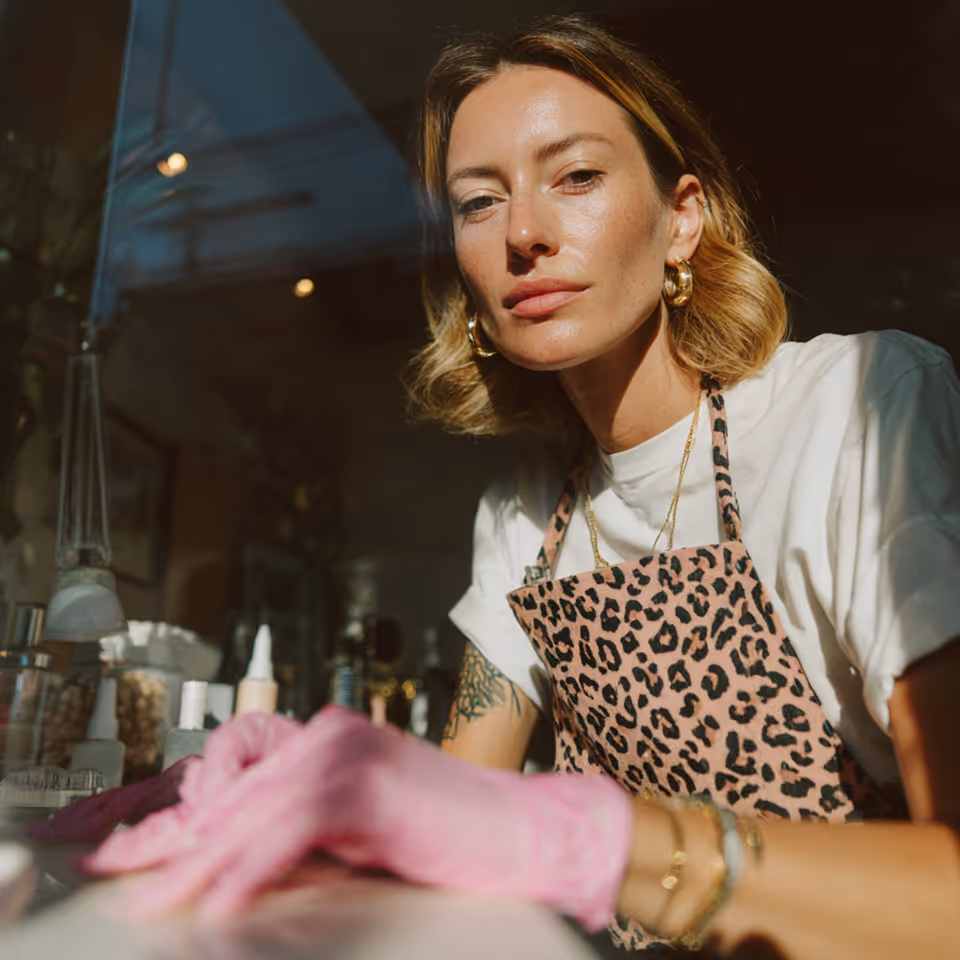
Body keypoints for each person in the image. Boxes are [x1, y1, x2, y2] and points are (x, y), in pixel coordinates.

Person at [36, 16, 960, 958]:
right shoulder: (525, 515)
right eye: (479, 203)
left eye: (578, 178)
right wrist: (321, 792)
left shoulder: (856, 409)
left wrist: (582, 840)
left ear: (682, 217)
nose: (524, 232)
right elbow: (452, 806)